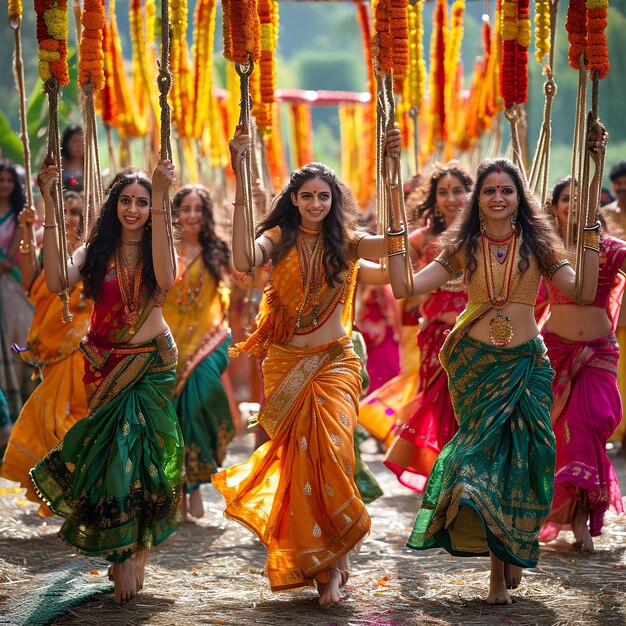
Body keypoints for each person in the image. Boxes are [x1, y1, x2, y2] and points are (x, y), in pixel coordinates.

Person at [387, 143, 603, 604]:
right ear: (478, 198)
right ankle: (494, 573)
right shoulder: (462, 248)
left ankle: (510, 550)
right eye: (489, 191)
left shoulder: (541, 246)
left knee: (528, 459)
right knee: (477, 464)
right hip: (476, 367)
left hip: (527, 364)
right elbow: (406, 286)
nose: (499, 198)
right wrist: (392, 221)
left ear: (519, 197)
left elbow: (584, 291)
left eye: (507, 190)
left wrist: (588, 234)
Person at [212, 126, 402, 607]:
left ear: (334, 201)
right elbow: (241, 258)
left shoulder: (350, 242)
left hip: (336, 365)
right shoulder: (278, 238)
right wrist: (239, 177)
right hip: (286, 364)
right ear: (294, 199)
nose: (316, 204)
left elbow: (394, 246)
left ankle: (335, 560)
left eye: (324, 197)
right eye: (307, 196)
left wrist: (393, 175)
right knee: (302, 468)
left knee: (334, 457)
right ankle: (323, 565)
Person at [29, 158, 184, 604]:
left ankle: (136, 552)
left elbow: (167, 280)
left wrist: (159, 197)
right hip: (105, 364)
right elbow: (57, 279)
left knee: (145, 459)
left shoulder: (159, 245)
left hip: (151, 365)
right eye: (126, 201)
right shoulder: (95, 251)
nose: (133, 209)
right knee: (114, 459)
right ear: (113, 204)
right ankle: (121, 549)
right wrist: (50, 203)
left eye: (140, 202)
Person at [539, 177, 625, 552]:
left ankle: (583, 512)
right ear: (554, 207)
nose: (573, 206)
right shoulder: (546, 251)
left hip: (599, 351)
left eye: (581, 200)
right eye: (565, 200)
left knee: (591, 422)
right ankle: (577, 517)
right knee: (564, 431)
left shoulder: (612, 249)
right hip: (556, 351)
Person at [1, 191, 91, 515]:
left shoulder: (92, 255)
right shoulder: (45, 249)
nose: (70, 218)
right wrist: (26, 233)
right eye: (64, 211)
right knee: (45, 420)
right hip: (53, 354)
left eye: (77, 212)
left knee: (70, 421)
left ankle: (80, 494)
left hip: (83, 353)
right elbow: (30, 285)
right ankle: (67, 496)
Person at [384, 162, 472, 492]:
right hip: (436, 339)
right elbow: (399, 280)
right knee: (439, 403)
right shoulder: (421, 239)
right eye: (443, 192)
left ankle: (466, 476)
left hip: (476, 336)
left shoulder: (483, 237)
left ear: (471, 194)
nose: (451, 199)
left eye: (458, 191)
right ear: (433, 200)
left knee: (470, 406)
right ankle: (446, 476)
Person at [163, 184, 235, 521]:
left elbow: (248, 280)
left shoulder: (218, 250)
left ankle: (196, 482)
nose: (192, 216)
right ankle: (184, 488)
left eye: (198, 209)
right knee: (176, 415)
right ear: (175, 213)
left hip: (211, 339)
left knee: (203, 397)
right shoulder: (163, 250)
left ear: (207, 216)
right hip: (170, 343)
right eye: (185, 209)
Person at [0, 159, 34, 419]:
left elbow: (12, 256)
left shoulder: (18, 214)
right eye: (1, 180)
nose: (5, 185)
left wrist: (7, 261)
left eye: (10, 181)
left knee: (16, 330)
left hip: (9, 280)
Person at [60, 124, 85, 192]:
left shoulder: (90, 166)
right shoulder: (59, 165)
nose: (79, 145)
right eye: (75, 141)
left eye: (82, 141)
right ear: (66, 144)